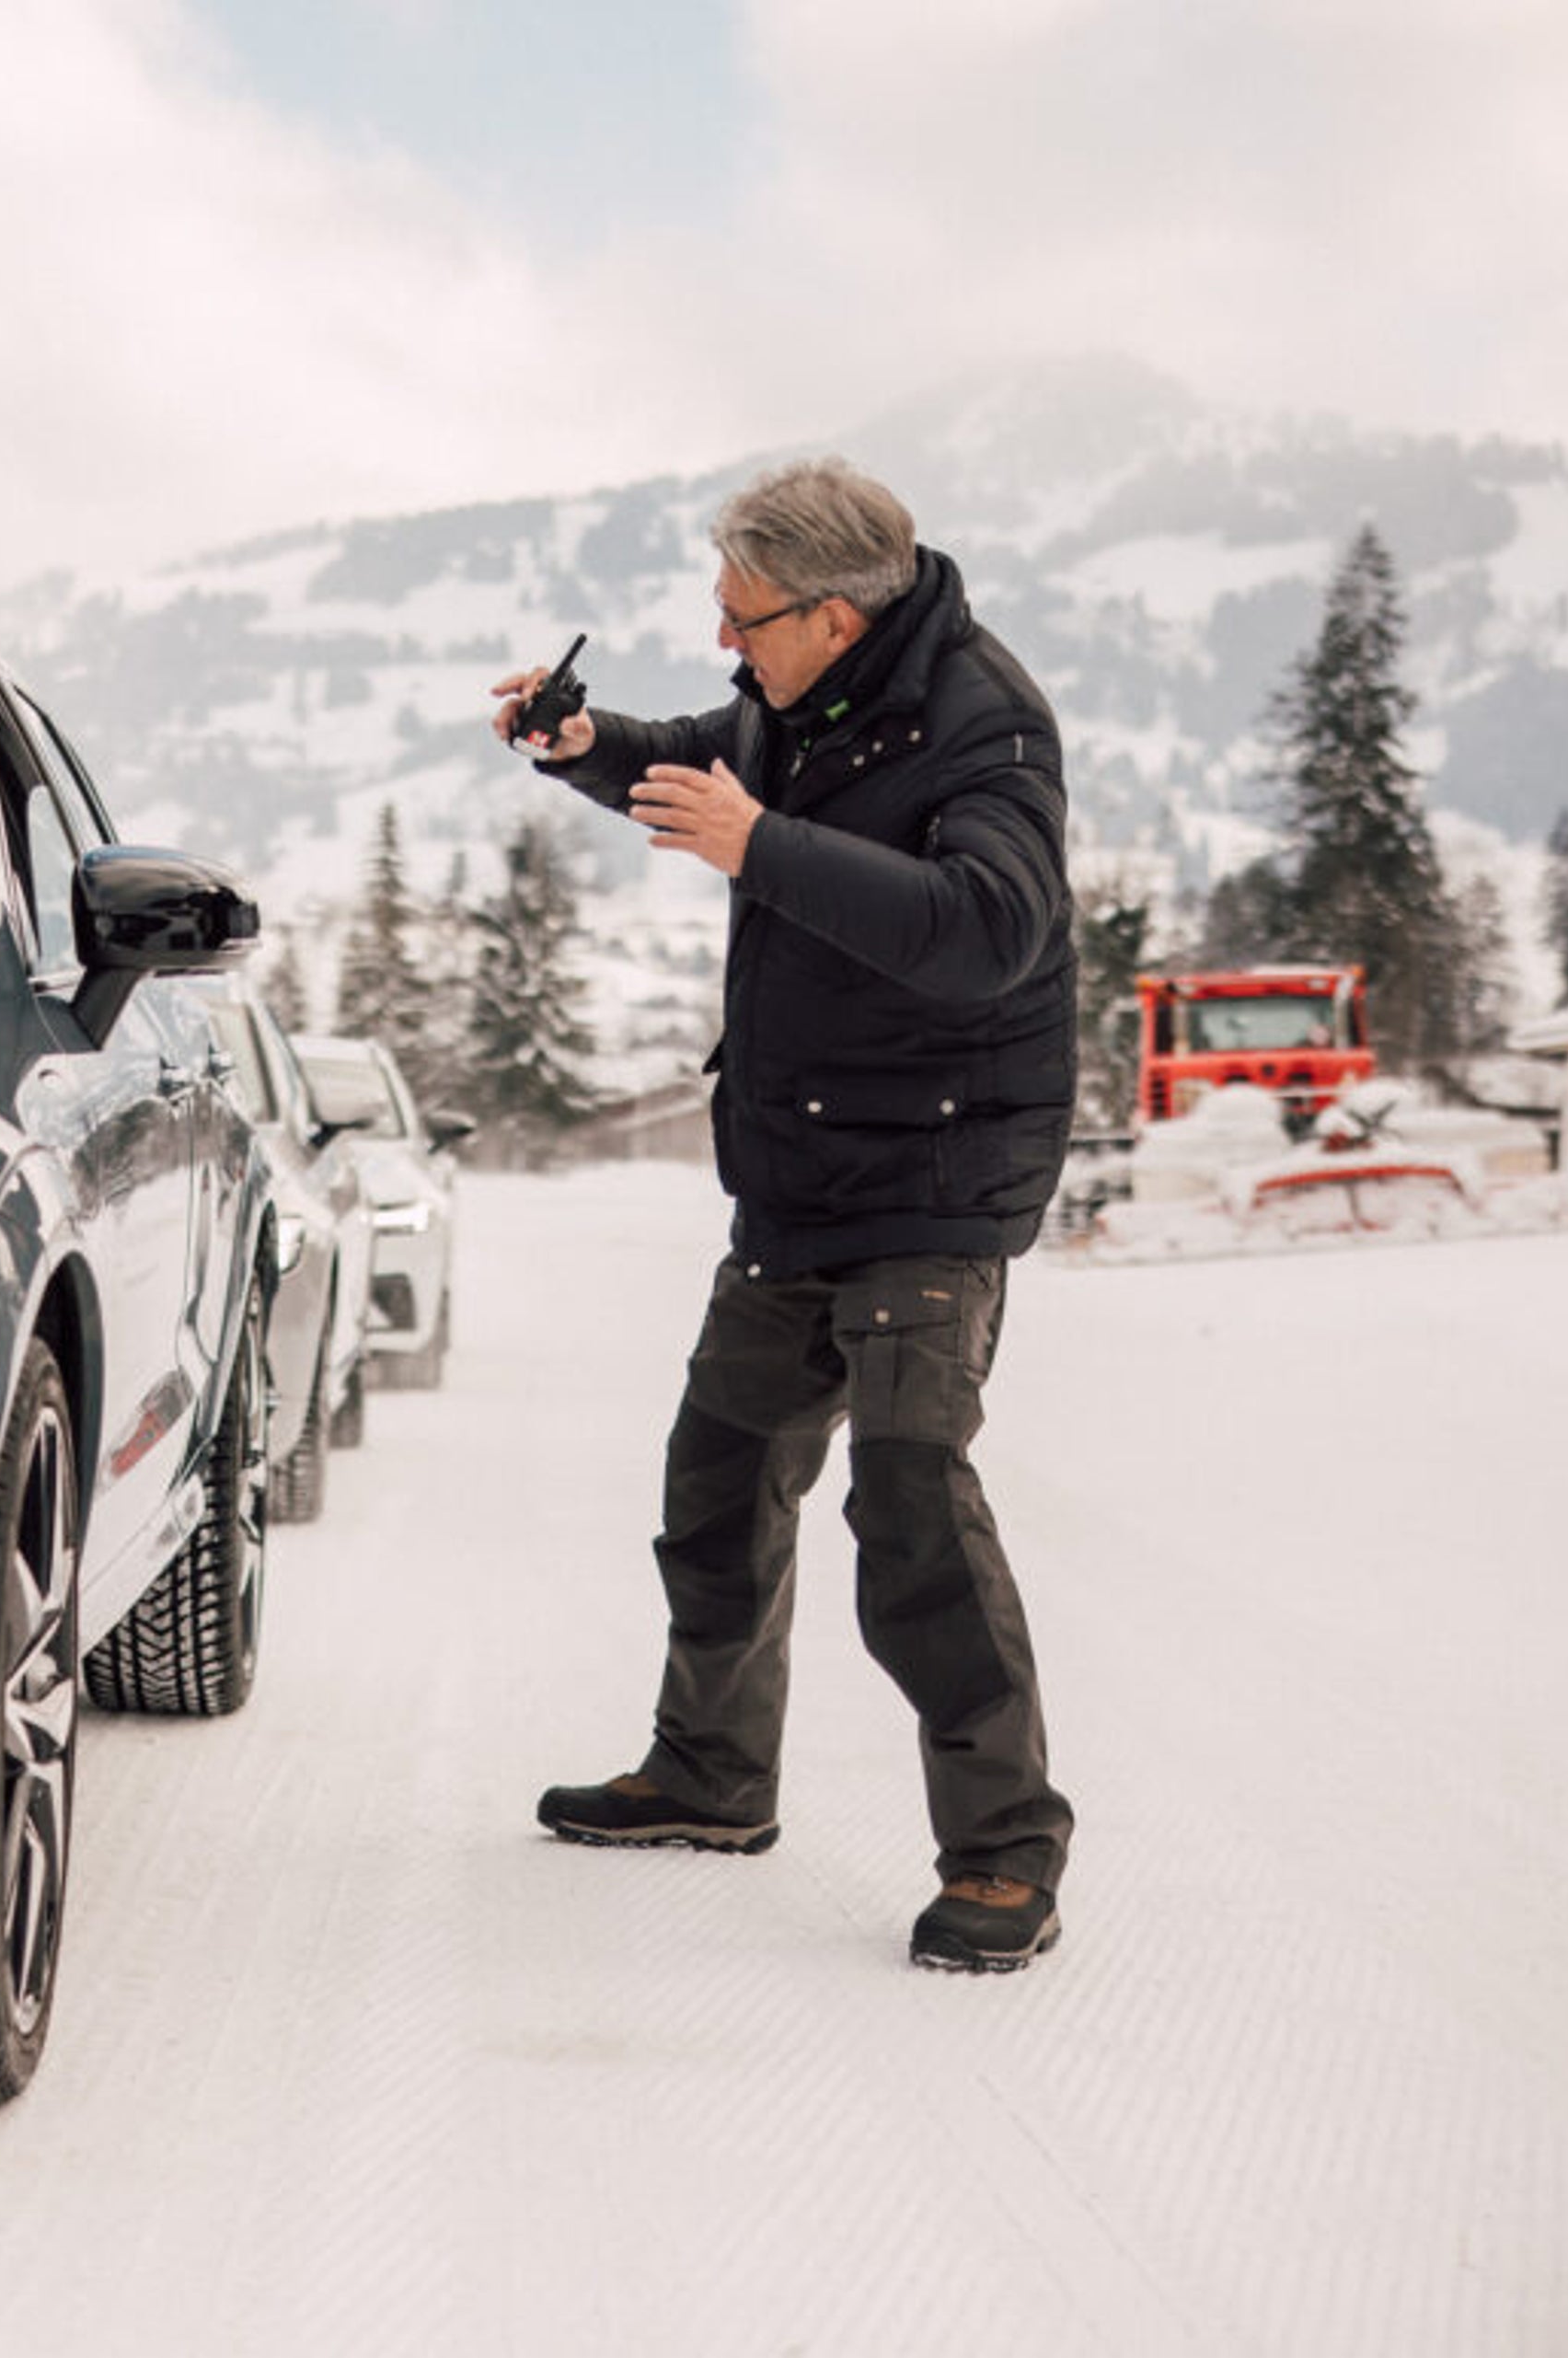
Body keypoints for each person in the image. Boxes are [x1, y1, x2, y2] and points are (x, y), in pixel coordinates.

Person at [489, 456, 1078, 1973]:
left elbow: (988, 931)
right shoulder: (795, 693)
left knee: (912, 1510)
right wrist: (586, 743)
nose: (724, 641)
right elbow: (706, 753)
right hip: (801, 1168)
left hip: (935, 1182)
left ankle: (1004, 1853)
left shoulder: (987, 727)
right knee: (719, 1482)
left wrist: (760, 845)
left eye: (743, 617)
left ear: (834, 615)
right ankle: (711, 1772)